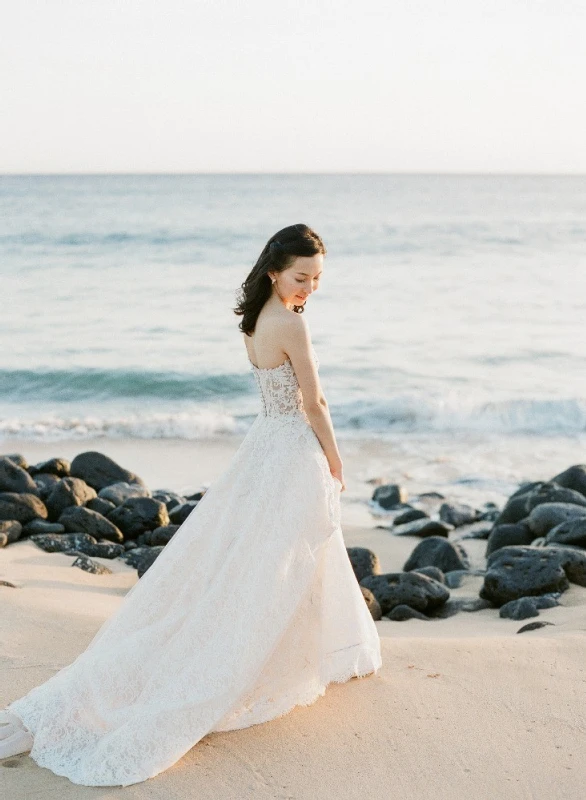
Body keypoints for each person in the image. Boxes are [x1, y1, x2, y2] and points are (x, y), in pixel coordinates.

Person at [0, 223, 382, 786]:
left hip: (264, 448)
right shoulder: (290, 323)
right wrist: (335, 457)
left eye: (319, 279)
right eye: (303, 277)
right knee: (287, 559)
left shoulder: (253, 320)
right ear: (275, 271)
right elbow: (314, 400)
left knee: (267, 558)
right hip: (292, 449)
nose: (311, 288)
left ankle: (309, 650)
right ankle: (289, 657)